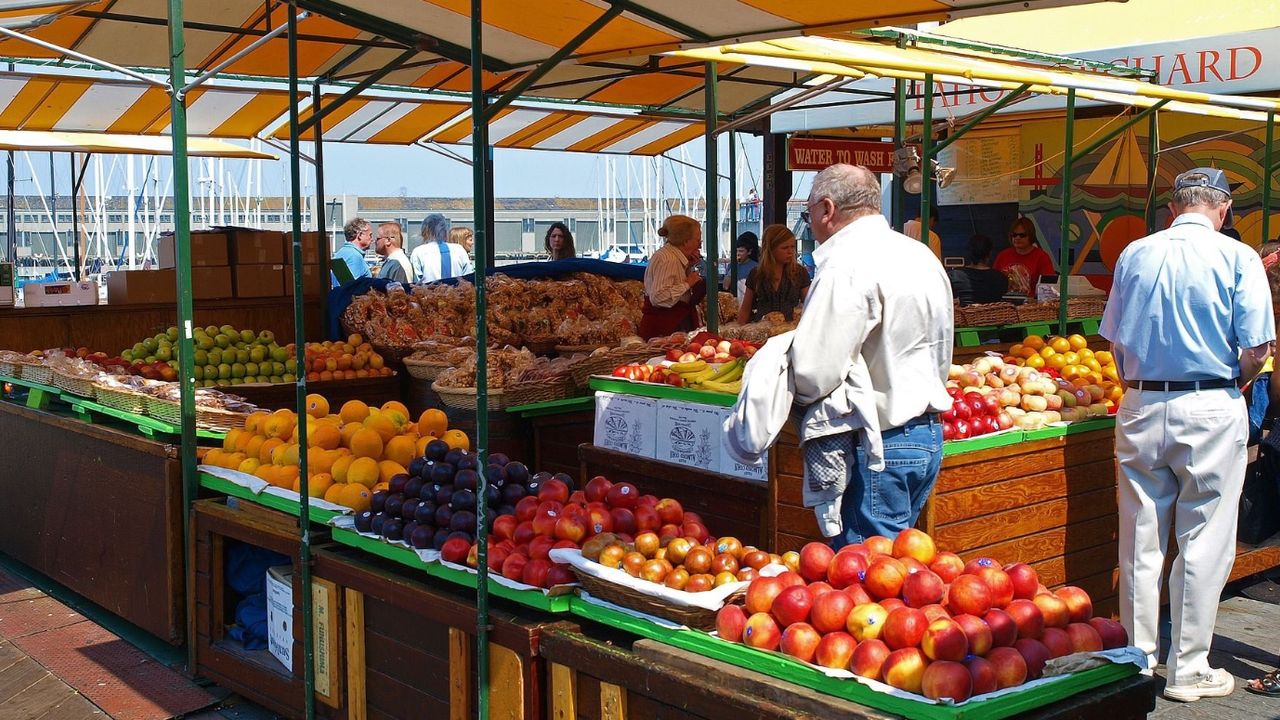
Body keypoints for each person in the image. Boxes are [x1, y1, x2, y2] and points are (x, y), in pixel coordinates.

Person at [1101, 167, 1274, 702]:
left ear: (1174, 207)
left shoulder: (1136, 253)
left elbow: (1112, 341)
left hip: (1142, 401)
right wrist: (1234, 385)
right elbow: (1257, 349)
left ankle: (1137, 656)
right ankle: (1189, 667)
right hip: (1209, 401)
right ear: (1222, 208)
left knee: (1140, 540)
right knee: (1205, 540)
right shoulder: (1239, 257)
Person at [791, 164, 953, 548]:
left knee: (867, 584)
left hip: (877, 445)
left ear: (827, 209)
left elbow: (813, 371)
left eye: (808, 212)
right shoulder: (921, 255)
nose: (810, 222)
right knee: (896, 577)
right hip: (926, 436)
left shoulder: (846, 264)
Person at [638, 214, 706, 339]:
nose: (700, 245)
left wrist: (688, 267)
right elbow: (658, 297)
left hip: (670, 324)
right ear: (686, 242)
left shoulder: (671, 257)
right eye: (698, 241)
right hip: (664, 328)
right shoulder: (669, 260)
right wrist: (688, 283)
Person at [738, 224, 810, 323]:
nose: (790, 252)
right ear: (771, 249)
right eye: (784, 248)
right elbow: (745, 310)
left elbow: (810, 306)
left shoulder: (800, 273)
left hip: (789, 332)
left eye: (792, 247)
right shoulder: (756, 274)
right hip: (761, 332)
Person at [993, 217, 1056, 297]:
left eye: (1022, 235)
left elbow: (1048, 288)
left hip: (1031, 305)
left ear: (1031, 236)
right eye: (1014, 235)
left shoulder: (1042, 257)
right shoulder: (1003, 255)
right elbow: (994, 282)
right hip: (1006, 303)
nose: (1017, 238)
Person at [410, 213, 472, 283]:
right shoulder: (459, 250)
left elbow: (417, 283)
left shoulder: (418, 252)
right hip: (457, 292)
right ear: (445, 231)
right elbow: (468, 279)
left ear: (425, 231)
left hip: (429, 292)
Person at [948, 234, 1009, 305]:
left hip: (962, 315)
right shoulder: (1001, 278)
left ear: (969, 252)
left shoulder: (954, 276)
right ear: (989, 253)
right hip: (991, 315)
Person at [331, 217, 372, 287]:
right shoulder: (354, 256)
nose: (372, 239)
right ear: (360, 235)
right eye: (370, 235)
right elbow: (350, 288)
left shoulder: (341, 253)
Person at [375, 221, 414, 285]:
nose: (375, 241)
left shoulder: (397, 263)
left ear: (388, 241)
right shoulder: (391, 261)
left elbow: (397, 294)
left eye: (378, 238)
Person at [722, 231, 759, 298]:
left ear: (749, 252)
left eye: (741, 251)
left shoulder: (755, 267)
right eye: (736, 251)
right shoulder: (731, 266)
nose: (738, 254)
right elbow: (725, 286)